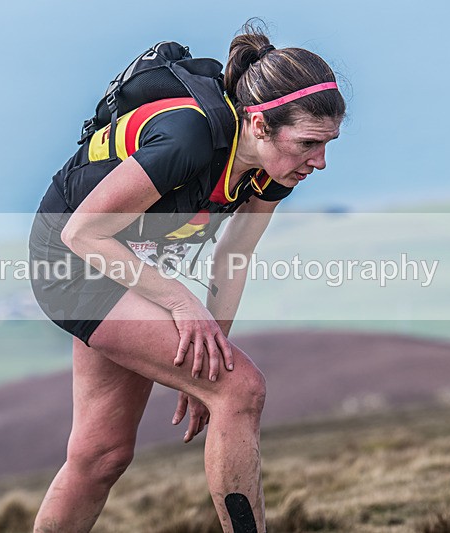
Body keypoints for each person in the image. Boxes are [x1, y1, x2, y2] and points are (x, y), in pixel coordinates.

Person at [28, 21, 345, 533]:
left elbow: (234, 254)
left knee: (101, 454)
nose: (321, 161)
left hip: (130, 264)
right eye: (310, 143)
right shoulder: (190, 136)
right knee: (241, 390)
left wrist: (212, 346)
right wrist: (182, 305)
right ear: (261, 125)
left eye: (328, 143)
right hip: (74, 261)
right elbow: (82, 234)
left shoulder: (270, 168)